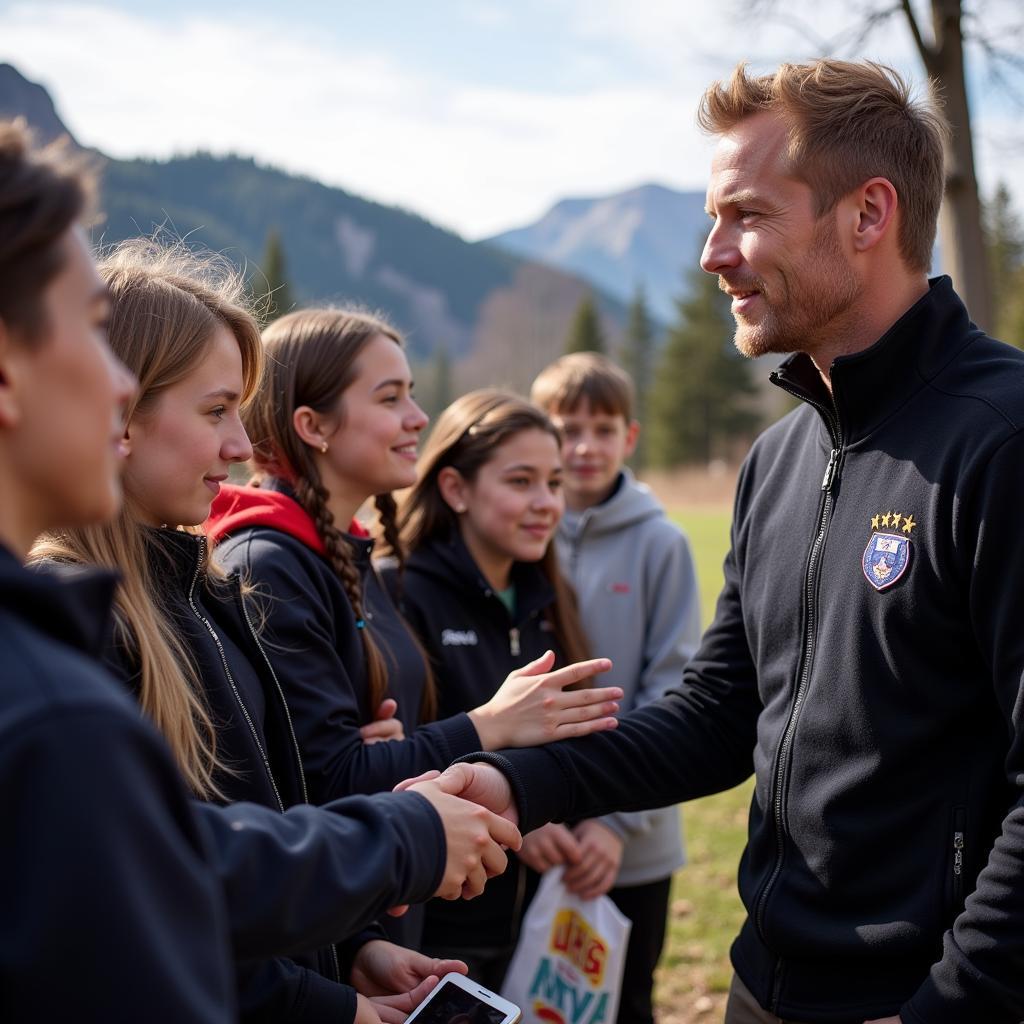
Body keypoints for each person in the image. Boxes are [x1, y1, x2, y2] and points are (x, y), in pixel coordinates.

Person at [427, 60, 1024, 1024]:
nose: (712, 253)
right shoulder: (778, 458)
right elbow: (719, 712)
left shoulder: (1002, 438)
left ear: (868, 215)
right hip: (765, 985)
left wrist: (951, 1007)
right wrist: (515, 780)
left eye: (744, 214)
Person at [0, 120, 520, 1022]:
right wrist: (401, 838)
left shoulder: (199, 592)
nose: (241, 446)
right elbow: (158, 897)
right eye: (90, 336)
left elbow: (227, 844)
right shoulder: (60, 675)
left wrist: (349, 953)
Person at [205, 308, 621, 948]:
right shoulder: (268, 564)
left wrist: (386, 749)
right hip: (325, 934)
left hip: (373, 924)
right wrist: (490, 725)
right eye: (390, 397)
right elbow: (324, 783)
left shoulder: (338, 553)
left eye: (412, 395)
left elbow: (343, 763)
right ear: (313, 426)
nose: (418, 418)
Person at [394, 389, 596, 989]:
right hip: (435, 934)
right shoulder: (397, 594)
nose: (545, 504)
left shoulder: (551, 599)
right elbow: (394, 762)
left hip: (544, 921)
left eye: (554, 483)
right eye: (521, 481)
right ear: (455, 489)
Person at [529, 351, 701, 1024]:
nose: (583, 447)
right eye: (566, 429)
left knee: (624, 1003)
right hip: (533, 832)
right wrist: (528, 812)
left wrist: (616, 822)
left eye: (602, 430)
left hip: (632, 843)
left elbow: (675, 683)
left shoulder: (662, 544)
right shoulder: (518, 532)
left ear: (629, 438)